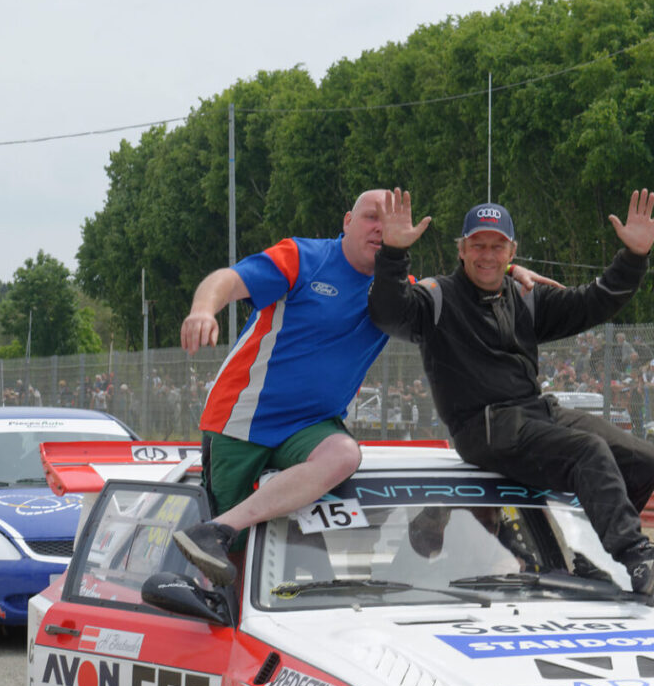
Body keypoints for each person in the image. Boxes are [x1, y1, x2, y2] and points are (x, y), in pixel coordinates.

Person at [171, 189, 556, 586]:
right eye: (371, 216)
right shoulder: (305, 258)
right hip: (240, 421)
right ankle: (210, 554)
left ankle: (221, 530)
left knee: (344, 455)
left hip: (311, 427)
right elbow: (228, 279)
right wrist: (202, 309)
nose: (380, 227)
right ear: (347, 222)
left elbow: (457, 285)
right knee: (223, 566)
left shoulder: (395, 290)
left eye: (389, 221)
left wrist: (508, 271)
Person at [367, 188, 654, 594]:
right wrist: (392, 253)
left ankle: (589, 558)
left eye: (497, 246)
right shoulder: (438, 298)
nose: (487, 255)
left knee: (645, 460)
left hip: (534, 412)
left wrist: (634, 258)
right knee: (588, 451)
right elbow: (388, 314)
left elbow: (593, 303)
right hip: (483, 427)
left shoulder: (525, 297)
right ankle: (636, 557)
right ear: (461, 249)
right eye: (477, 244)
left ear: (512, 250)